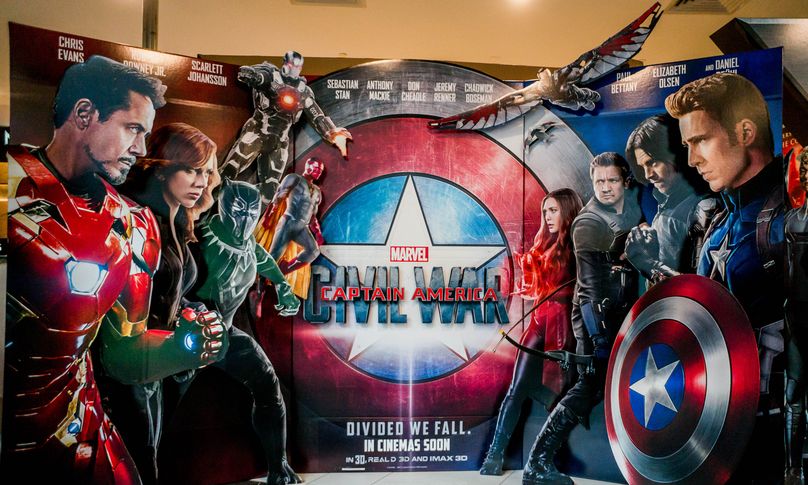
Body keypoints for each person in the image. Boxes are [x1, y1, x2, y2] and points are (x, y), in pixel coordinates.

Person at [2, 56, 226, 484]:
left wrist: (185, 347)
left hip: (81, 434)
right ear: (85, 114)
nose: (140, 149)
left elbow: (124, 355)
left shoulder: (134, 224)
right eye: (132, 128)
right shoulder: (7, 185)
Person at [665, 71, 785, 484]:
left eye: (700, 140)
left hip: (772, 432)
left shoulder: (791, 219)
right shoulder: (717, 220)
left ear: (745, 133)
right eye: (687, 145)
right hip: (713, 425)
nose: (692, 159)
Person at [97, 122, 223, 484]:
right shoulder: (135, 219)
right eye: (191, 170)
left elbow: (172, 289)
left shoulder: (178, 220)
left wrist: (190, 314)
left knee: (150, 454)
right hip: (127, 362)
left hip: (160, 362)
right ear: (163, 168)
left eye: (205, 172)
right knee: (138, 460)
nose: (200, 182)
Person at [522, 152, 642, 485]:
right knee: (589, 385)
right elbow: (589, 290)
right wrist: (598, 338)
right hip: (595, 319)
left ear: (625, 181)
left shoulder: (629, 210)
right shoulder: (588, 223)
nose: (605, 187)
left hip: (618, 315)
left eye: (612, 180)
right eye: (599, 181)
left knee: (602, 386)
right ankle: (537, 464)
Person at [193, 179, 303, 485]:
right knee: (156, 405)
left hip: (226, 334)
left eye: (252, 212)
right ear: (224, 204)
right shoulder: (199, 236)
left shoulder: (248, 245)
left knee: (268, 387)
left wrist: (283, 286)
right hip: (187, 334)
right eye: (239, 210)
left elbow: (263, 259)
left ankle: (278, 467)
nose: (245, 219)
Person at [479, 188, 582, 476]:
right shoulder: (545, 243)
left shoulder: (578, 241)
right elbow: (537, 287)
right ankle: (494, 456)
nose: (547, 217)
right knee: (516, 388)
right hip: (538, 322)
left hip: (563, 326)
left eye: (553, 210)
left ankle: (546, 459)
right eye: (545, 211)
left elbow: (581, 287)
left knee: (560, 394)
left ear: (567, 211)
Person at [220, 51, 351, 203]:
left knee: (271, 190)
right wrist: (252, 75)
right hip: (257, 132)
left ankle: (255, 214)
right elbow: (259, 76)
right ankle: (206, 210)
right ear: (285, 64)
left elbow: (316, 115)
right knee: (228, 171)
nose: (295, 69)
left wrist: (332, 132)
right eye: (292, 65)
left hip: (279, 142)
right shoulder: (271, 76)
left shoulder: (303, 92)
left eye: (298, 67)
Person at [623, 114, 717, 282]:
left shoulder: (704, 208)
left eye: (652, 162)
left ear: (675, 154)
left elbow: (702, 288)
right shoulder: (667, 204)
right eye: (642, 166)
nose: (648, 175)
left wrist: (647, 263)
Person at [784, 147, 808, 484]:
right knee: (794, 395)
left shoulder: (792, 221)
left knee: (796, 395)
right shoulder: (791, 221)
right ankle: (792, 468)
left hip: (796, 315)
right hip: (796, 317)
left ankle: (794, 468)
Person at [258, 157, 325, 277]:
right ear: (308, 166)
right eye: (316, 168)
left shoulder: (317, 192)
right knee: (274, 256)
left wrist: (318, 233)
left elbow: (313, 216)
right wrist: (268, 216)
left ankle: (283, 270)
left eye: (320, 170)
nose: (318, 172)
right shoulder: (294, 179)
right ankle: (260, 283)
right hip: (288, 222)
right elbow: (278, 198)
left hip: (302, 227)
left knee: (313, 251)